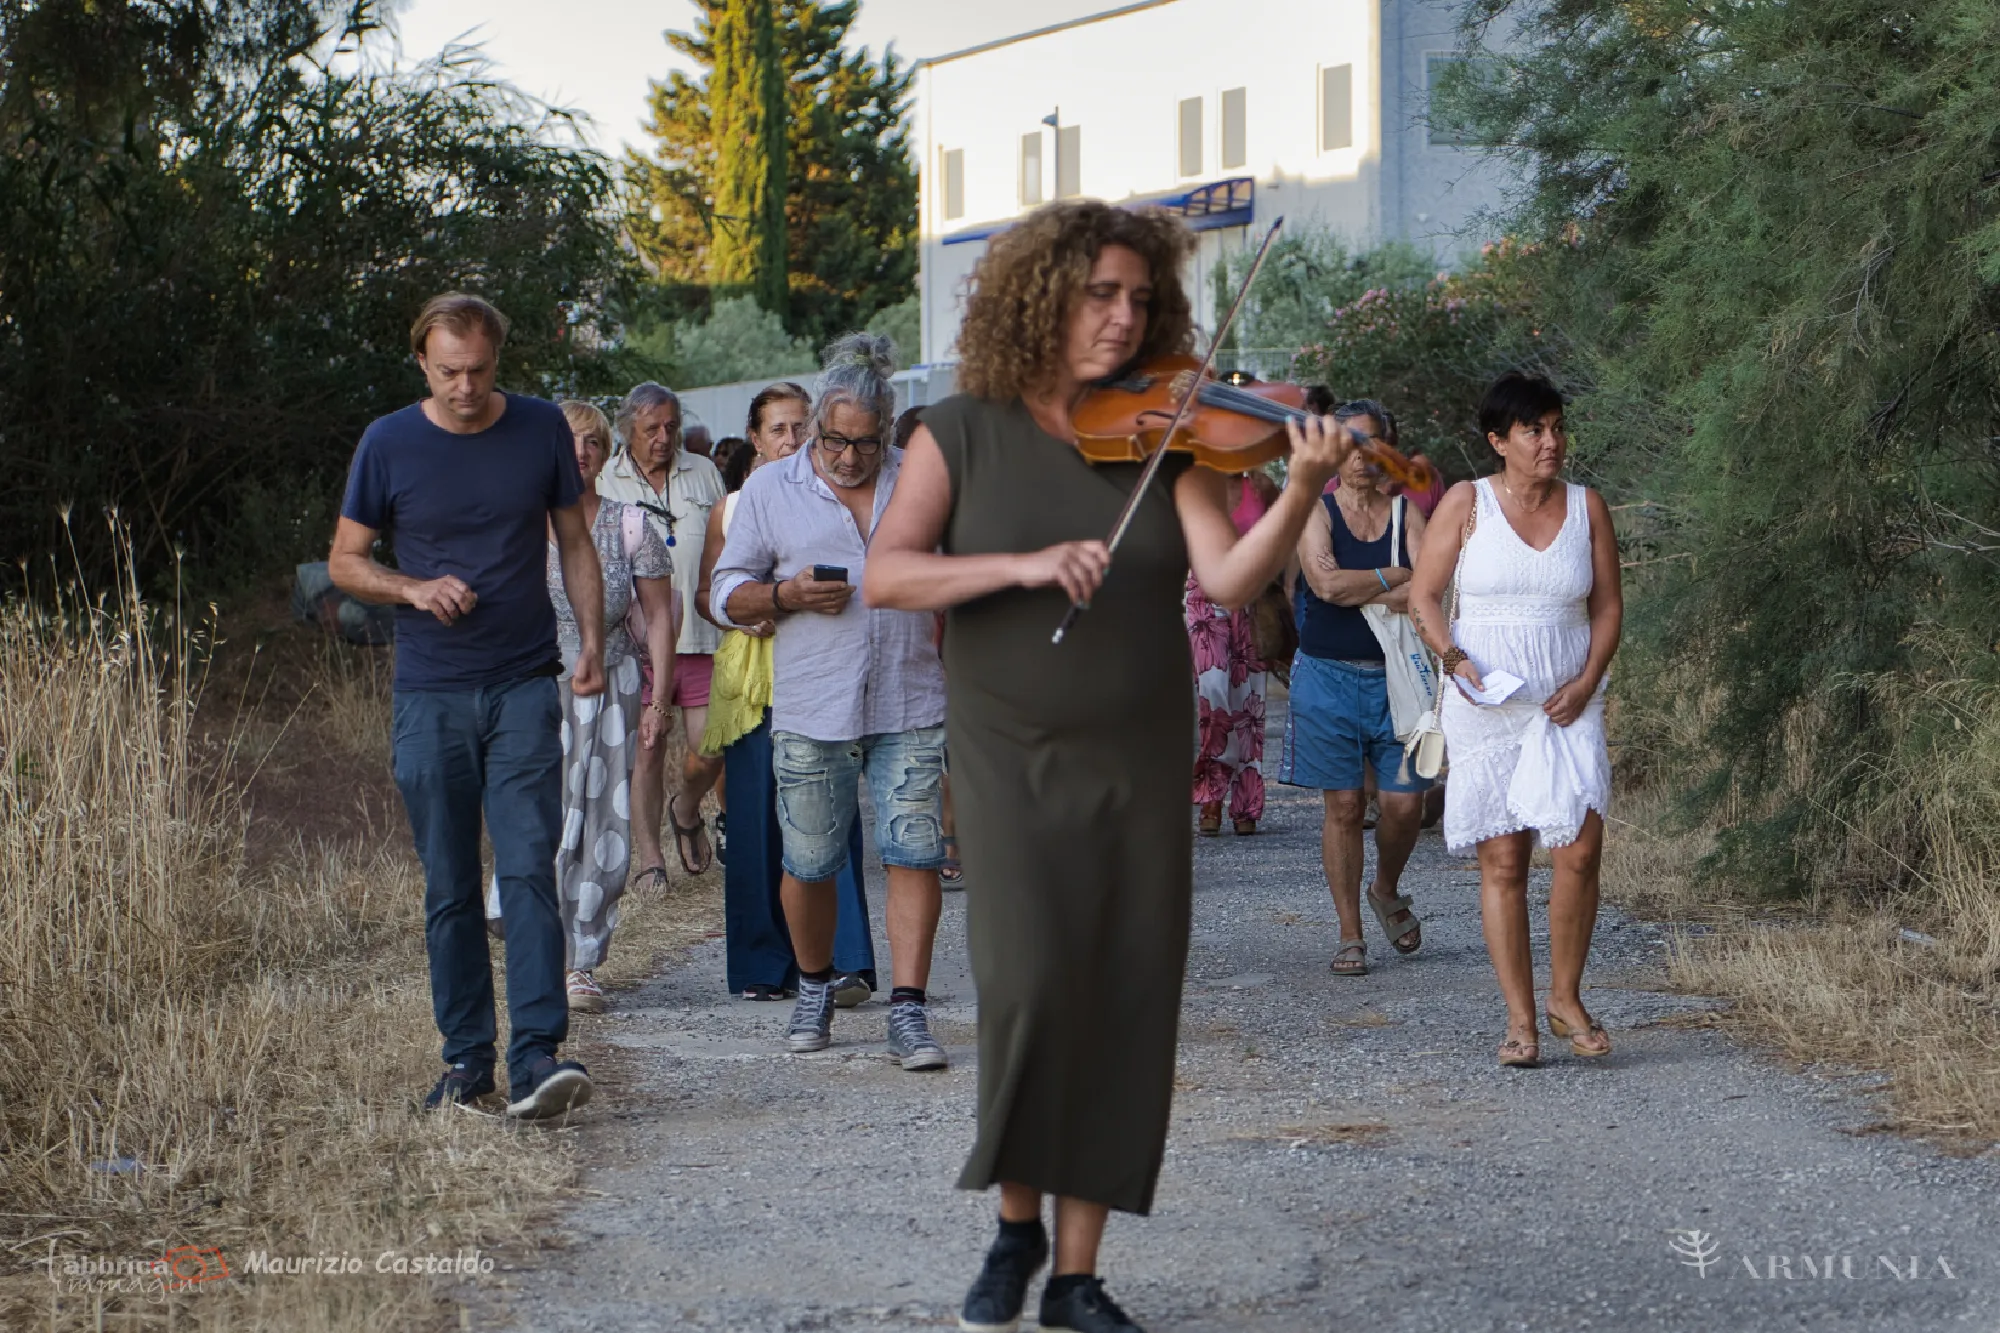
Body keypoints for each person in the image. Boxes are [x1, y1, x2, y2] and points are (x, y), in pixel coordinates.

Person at [864, 199, 1350, 1333]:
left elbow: (1226, 580)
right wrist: (1023, 564)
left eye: (1139, 298)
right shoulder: (959, 431)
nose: (1123, 317)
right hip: (1009, 756)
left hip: (1137, 755)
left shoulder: (1170, 433)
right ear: (1041, 297)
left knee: (1123, 998)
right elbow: (889, 574)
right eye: (1100, 295)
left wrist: (1298, 490)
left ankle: (1075, 1277)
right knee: (1031, 986)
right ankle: (1015, 1223)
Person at [328, 292, 599, 1120]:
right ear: (422, 361)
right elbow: (345, 561)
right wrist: (413, 587)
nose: (466, 387)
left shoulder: (540, 427)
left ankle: (538, 1054)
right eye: (449, 372)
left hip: (523, 679)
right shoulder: (388, 442)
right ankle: (467, 1061)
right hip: (431, 691)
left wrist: (591, 640)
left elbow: (574, 539)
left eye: (479, 370)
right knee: (449, 882)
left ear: (497, 360)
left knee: (527, 867)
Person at [710, 333, 951, 1071]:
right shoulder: (770, 490)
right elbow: (724, 592)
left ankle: (908, 1009)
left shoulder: (922, 479)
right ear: (815, 425)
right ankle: (814, 985)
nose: (849, 456)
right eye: (835, 440)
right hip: (814, 704)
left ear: (888, 430)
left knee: (915, 851)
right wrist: (785, 595)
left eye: (866, 443)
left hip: (910, 696)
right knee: (810, 862)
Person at [1406, 371, 1621, 1068]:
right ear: (1499, 441)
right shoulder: (1467, 502)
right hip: (1487, 704)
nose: (1551, 441)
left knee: (1579, 849)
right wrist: (1454, 658)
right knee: (1505, 861)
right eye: (1534, 430)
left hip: (1567, 702)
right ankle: (1520, 1019)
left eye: (1557, 427)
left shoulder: (1588, 507)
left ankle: (1566, 997)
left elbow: (1608, 607)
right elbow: (1423, 596)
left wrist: (1585, 681)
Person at [695, 382, 880, 1003]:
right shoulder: (734, 504)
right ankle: (762, 964)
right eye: (778, 429)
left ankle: (845, 959)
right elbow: (709, 594)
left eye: (802, 427)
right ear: (755, 438)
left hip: (826, 667)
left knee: (830, 812)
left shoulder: (844, 492)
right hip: (755, 672)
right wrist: (751, 611)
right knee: (753, 814)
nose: (791, 439)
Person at [1281, 399, 1431, 978]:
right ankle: (1350, 933)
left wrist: (1372, 585)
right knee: (1343, 805)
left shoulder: (1407, 514)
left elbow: (1429, 589)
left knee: (1405, 803)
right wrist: (1394, 576)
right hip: (1326, 675)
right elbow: (1324, 585)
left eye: (1372, 446)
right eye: (1349, 445)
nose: (1360, 458)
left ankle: (1385, 887)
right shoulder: (1315, 511)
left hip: (1401, 679)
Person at [542, 400, 679, 1013]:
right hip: (538, 688)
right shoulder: (522, 524)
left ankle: (581, 962)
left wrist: (658, 702)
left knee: (603, 824)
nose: (581, 453)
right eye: (569, 442)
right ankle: (540, 948)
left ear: (605, 455)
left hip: (614, 688)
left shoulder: (631, 524)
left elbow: (659, 619)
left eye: (592, 442)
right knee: (543, 818)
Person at [599, 383, 728, 883]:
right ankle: (651, 862)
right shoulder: (605, 479)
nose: (663, 437)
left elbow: (726, 543)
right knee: (646, 751)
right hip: (636, 645)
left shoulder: (703, 471)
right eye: (651, 428)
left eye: (671, 426)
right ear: (627, 429)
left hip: (700, 638)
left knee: (710, 748)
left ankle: (687, 808)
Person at [1188, 467, 1281, 837]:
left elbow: (1285, 539)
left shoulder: (1260, 486)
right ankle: (1212, 788)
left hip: (1251, 598)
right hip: (1203, 597)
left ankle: (1246, 802)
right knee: (1213, 698)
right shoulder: (1193, 485)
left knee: (1250, 706)